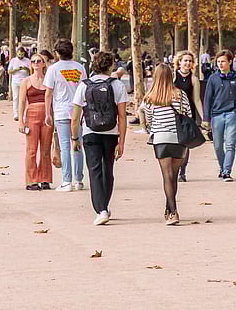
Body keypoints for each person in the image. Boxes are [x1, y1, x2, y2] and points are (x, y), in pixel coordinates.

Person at [70, 51, 129, 225]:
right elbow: (122, 116)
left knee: (94, 171)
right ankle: (105, 205)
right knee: (108, 170)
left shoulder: (84, 85)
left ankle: (101, 210)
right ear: (110, 65)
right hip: (110, 133)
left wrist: (74, 138)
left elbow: (75, 117)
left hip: (90, 132)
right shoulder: (117, 85)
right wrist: (122, 141)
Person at [140, 64, 193, 225]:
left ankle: (173, 211)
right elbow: (188, 114)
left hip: (161, 139)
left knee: (166, 175)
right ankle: (169, 208)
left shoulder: (150, 97)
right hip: (179, 139)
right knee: (174, 175)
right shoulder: (180, 94)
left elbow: (148, 119)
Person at [44, 39, 87, 191]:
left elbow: (48, 93)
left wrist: (47, 113)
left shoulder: (53, 69)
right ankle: (79, 179)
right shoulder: (80, 68)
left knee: (64, 145)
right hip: (77, 110)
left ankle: (66, 180)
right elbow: (84, 90)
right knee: (77, 144)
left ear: (57, 53)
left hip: (61, 110)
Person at [203, 49, 236, 182]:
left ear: (230, 62)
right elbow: (207, 98)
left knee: (230, 144)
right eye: (218, 62)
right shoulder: (213, 78)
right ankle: (222, 168)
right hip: (216, 115)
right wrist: (206, 118)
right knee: (217, 145)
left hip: (231, 114)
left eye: (223, 61)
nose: (220, 64)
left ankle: (227, 171)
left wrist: (235, 111)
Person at [17, 52, 53, 190]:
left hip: (47, 115)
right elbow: (21, 102)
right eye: (33, 61)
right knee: (31, 149)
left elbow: (52, 99)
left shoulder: (48, 80)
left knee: (45, 149)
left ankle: (45, 178)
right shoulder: (26, 81)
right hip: (31, 114)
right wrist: (21, 121)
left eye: (39, 61)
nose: (36, 63)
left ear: (44, 63)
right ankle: (31, 180)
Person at [173, 50, 201, 182]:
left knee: (185, 144)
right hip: (172, 114)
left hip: (187, 115)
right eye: (185, 60)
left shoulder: (194, 79)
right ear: (179, 62)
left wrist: (204, 118)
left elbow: (196, 100)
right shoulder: (172, 77)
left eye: (190, 61)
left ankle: (182, 172)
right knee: (173, 143)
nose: (187, 63)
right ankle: (173, 169)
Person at [7, 46, 31, 121]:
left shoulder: (27, 60)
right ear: (17, 53)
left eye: (22, 54)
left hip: (25, 81)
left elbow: (31, 71)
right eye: (19, 54)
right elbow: (9, 71)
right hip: (15, 81)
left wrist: (26, 68)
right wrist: (16, 69)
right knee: (16, 97)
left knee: (25, 98)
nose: (21, 56)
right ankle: (16, 113)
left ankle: (25, 113)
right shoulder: (13, 60)